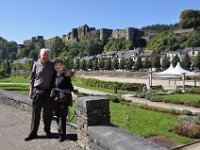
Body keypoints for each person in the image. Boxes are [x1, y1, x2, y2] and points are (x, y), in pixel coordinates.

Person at [25, 48, 55, 141]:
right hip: (37, 92)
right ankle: (33, 133)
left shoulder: (53, 65)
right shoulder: (35, 64)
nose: (45, 56)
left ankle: (47, 130)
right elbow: (32, 80)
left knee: (48, 114)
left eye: (47, 54)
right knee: (35, 114)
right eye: (43, 54)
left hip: (48, 93)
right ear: (40, 55)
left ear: (49, 55)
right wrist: (31, 91)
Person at [50, 59, 77, 142]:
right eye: (56, 65)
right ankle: (61, 132)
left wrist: (73, 94)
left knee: (62, 116)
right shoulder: (53, 75)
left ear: (62, 66)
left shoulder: (65, 75)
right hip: (55, 98)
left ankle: (62, 135)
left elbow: (70, 87)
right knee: (58, 116)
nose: (57, 66)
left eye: (59, 65)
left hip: (64, 98)